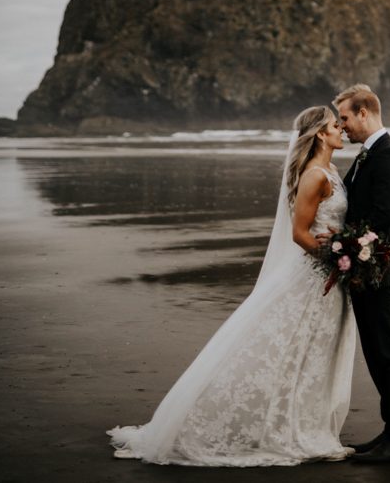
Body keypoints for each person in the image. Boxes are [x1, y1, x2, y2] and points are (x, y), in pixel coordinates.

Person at [107, 106, 356, 467]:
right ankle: (273, 427)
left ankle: (300, 422)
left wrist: (343, 246)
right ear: (320, 133)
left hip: (329, 279)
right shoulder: (315, 176)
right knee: (287, 349)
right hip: (315, 276)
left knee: (311, 353)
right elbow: (300, 233)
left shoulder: (332, 170)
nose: (342, 130)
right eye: (336, 125)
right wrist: (337, 253)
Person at [334, 83, 390, 463]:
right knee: (376, 354)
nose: (343, 125)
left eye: (346, 118)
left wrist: (340, 247)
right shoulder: (367, 156)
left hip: (383, 269)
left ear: (364, 112)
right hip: (365, 271)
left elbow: (383, 222)